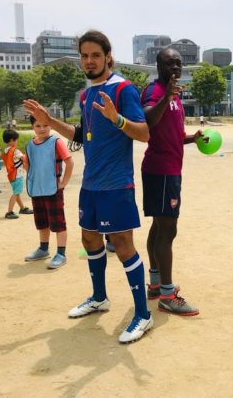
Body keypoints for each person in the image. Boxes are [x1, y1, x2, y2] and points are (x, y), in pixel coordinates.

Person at [23, 29, 152, 344]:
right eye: (84, 55)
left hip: (117, 185)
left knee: (122, 245)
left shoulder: (123, 89)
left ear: (108, 56)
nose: (89, 61)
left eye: (96, 55)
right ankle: (99, 298)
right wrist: (49, 121)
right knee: (90, 239)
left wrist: (117, 119)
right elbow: (82, 134)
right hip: (91, 184)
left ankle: (143, 315)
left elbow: (145, 133)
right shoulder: (85, 94)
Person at [139, 48, 203, 316]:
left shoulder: (176, 97)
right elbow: (148, 121)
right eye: (169, 63)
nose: (175, 66)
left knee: (159, 226)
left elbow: (173, 135)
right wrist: (167, 96)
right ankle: (167, 294)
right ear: (159, 65)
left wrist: (193, 138)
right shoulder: (154, 91)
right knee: (168, 231)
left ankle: (155, 284)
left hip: (170, 170)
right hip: (161, 171)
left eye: (178, 63)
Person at [22, 115, 74, 269]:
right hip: (37, 189)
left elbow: (69, 162)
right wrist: (25, 164)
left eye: (45, 125)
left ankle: (61, 254)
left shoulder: (56, 142)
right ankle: (43, 249)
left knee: (58, 222)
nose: (42, 129)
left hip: (53, 189)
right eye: (38, 126)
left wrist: (63, 183)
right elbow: (30, 168)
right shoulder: (30, 145)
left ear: (51, 125)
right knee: (41, 221)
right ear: (33, 127)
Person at [1, 129, 33, 219]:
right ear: (12, 140)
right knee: (16, 193)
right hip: (17, 175)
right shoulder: (15, 151)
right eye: (16, 140)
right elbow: (24, 158)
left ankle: (22, 208)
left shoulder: (6, 151)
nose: (17, 142)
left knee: (17, 192)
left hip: (11, 175)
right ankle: (9, 212)